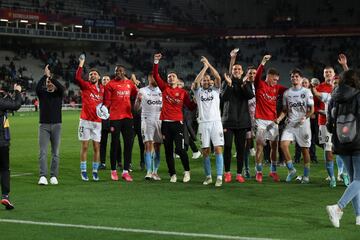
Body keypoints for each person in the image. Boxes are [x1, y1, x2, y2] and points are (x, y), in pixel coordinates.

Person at [152, 53, 196, 183]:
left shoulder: (183, 93)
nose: (171, 78)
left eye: (173, 76)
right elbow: (155, 75)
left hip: (178, 123)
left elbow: (191, 106)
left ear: (178, 80)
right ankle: (173, 174)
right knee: (168, 150)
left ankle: (187, 172)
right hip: (165, 124)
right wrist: (156, 62)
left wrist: (196, 101)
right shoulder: (164, 88)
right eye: (169, 76)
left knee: (180, 149)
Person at [326, 69, 360, 228]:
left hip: (341, 142)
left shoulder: (334, 96)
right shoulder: (358, 95)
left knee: (354, 181)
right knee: (359, 180)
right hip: (358, 142)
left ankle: (359, 216)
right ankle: (338, 207)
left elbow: (329, 122)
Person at [222, 49, 255, 183]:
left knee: (241, 149)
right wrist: (229, 85)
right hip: (228, 121)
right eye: (234, 69)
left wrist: (242, 84)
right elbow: (224, 98)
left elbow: (250, 96)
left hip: (242, 121)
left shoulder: (246, 84)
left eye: (239, 69)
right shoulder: (227, 82)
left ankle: (239, 173)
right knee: (228, 147)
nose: (236, 70)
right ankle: (227, 172)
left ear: (242, 72)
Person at [276, 69, 314, 183]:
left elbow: (312, 109)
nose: (294, 78)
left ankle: (306, 176)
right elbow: (285, 110)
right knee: (283, 145)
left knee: (304, 150)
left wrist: (305, 117)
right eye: (292, 76)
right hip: (291, 124)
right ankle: (291, 170)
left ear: (301, 78)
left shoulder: (307, 92)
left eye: (297, 76)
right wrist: (278, 119)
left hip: (303, 125)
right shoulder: (287, 93)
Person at [254, 55, 287, 183]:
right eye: (274, 79)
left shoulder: (277, 88)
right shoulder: (260, 84)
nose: (275, 82)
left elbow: (290, 90)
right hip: (261, 120)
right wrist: (262, 62)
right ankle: (259, 171)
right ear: (268, 77)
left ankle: (273, 171)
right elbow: (257, 76)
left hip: (273, 121)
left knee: (274, 146)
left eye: (277, 80)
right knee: (260, 146)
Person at [192, 56, 224, 187]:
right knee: (205, 150)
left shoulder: (216, 90)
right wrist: (204, 68)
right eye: (204, 80)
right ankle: (208, 176)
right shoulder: (198, 92)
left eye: (207, 80)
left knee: (218, 149)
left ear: (210, 82)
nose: (205, 81)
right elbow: (195, 82)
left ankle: (220, 177)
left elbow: (218, 77)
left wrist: (209, 65)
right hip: (203, 123)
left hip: (216, 122)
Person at [103, 65, 138, 182]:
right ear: (114, 72)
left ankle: (125, 171)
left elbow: (135, 95)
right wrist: (104, 109)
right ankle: (113, 170)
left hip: (128, 117)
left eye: (121, 71)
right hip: (115, 118)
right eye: (116, 71)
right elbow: (107, 101)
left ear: (124, 72)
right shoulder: (110, 85)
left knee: (128, 144)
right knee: (115, 144)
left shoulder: (129, 84)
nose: (118, 72)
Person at [75, 55, 104, 181]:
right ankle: (83, 170)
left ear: (99, 77)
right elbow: (77, 77)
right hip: (85, 121)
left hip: (97, 122)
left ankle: (95, 171)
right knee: (85, 146)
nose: (92, 76)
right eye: (91, 74)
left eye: (95, 74)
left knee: (97, 147)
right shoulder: (86, 86)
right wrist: (81, 64)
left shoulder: (103, 90)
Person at [36, 65, 65, 185]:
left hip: (57, 126)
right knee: (42, 152)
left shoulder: (58, 94)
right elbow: (38, 87)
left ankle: (53, 176)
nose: (48, 83)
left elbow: (61, 87)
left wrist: (51, 78)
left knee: (55, 153)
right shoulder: (42, 94)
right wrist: (45, 76)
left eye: (50, 82)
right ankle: (43, 176)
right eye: (47, 82)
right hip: (44, 126)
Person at [134, 72, 162, 180]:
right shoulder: (142, 91)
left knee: (157, 147)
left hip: (159, 120)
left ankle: (155, 172)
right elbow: (136, 109)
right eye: (153, 77)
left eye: (157, 77)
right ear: (149, 78)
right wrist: (138, 100)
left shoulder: (162, 90)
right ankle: (149, 171)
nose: (155, 79)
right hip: (147, 120)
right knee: (148, 145)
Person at [0, 84, 22, 210]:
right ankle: (5, 196)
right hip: (2, 142)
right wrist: (17, 91)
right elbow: (16, 105)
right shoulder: (1, 103)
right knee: (4, 169)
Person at [99, 75, 121, 170]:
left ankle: (119, 162)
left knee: (116, 141)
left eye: (108, 79)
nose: (106, 81)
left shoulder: (114, 90)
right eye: (104, 79)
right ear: (102, 81)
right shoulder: (99, 92)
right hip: (103, 120)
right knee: (102, 142)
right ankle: (102, 163)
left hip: (114, 118)